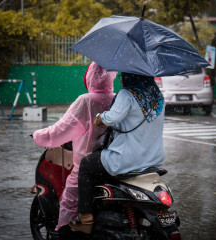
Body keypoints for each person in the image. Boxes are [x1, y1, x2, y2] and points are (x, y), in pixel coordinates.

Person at [69, 72, 165, 234]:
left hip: (126, 160)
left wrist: (99, 117)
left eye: (123, 75)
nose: (121, 79)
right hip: (152, 160)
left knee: (87, 165)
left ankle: (85, 218)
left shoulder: (127, 94)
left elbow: (110, 118)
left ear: (131, 76)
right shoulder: (158, 96)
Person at [32, 62, 117, 232]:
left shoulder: (86, 100)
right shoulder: (117, 99)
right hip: (114, 162)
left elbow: (62, 129)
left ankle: (65, 231)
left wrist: (39, 136)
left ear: (89, 77)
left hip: (88, 164)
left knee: (69, 200)